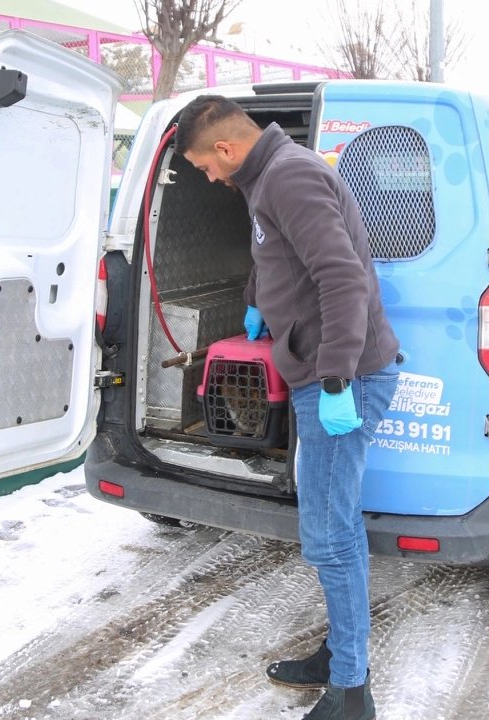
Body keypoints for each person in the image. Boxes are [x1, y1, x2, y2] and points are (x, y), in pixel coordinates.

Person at [175, 96, 401, 720]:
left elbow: (342, 277)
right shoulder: (266, 176)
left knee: (330, 535)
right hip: (322, 368)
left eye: (203, 167)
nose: (209, 179)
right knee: (333, 523)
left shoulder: (290, 175)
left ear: (224, 148)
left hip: (342, 378)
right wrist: (256, 300)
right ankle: (340, 652)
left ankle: (351, 690)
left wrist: (333, 380)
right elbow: (277, 255)